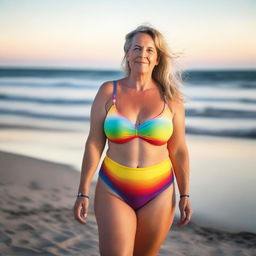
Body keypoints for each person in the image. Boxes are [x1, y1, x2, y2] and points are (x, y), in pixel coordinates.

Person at [73, 24, 192, 256]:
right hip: (113, 188)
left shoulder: (171, 98)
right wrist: (82, 191)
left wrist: (185, 194)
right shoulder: (109, 91)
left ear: (157, 59)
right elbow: (94, 143)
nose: (142, 54)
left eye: (150, 50)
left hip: (159, 191)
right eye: (137, 48)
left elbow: (178, 150)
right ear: (127, 54)